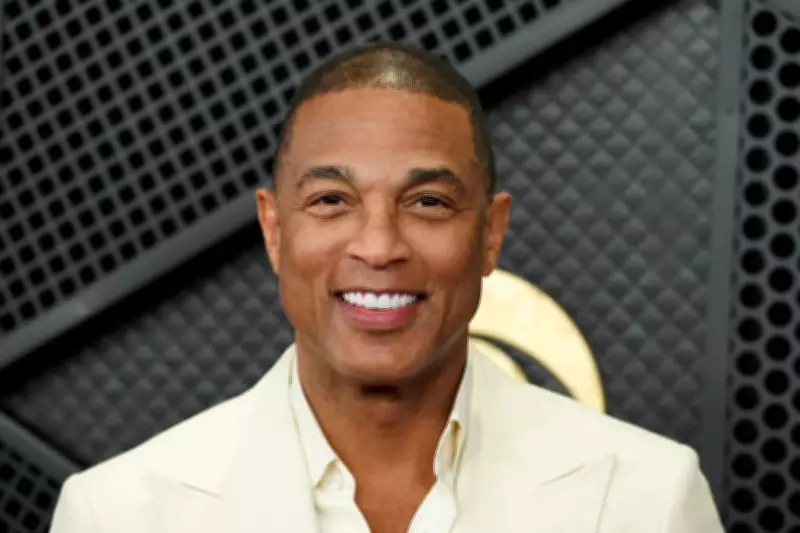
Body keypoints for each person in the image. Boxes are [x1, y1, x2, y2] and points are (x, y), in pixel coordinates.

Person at [50, 41, 723, 533]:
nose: (378, 246)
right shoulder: (120, 512)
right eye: (331, 201)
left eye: (427, 202)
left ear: (491, 233)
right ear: (274, 230)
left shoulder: (647, 497)